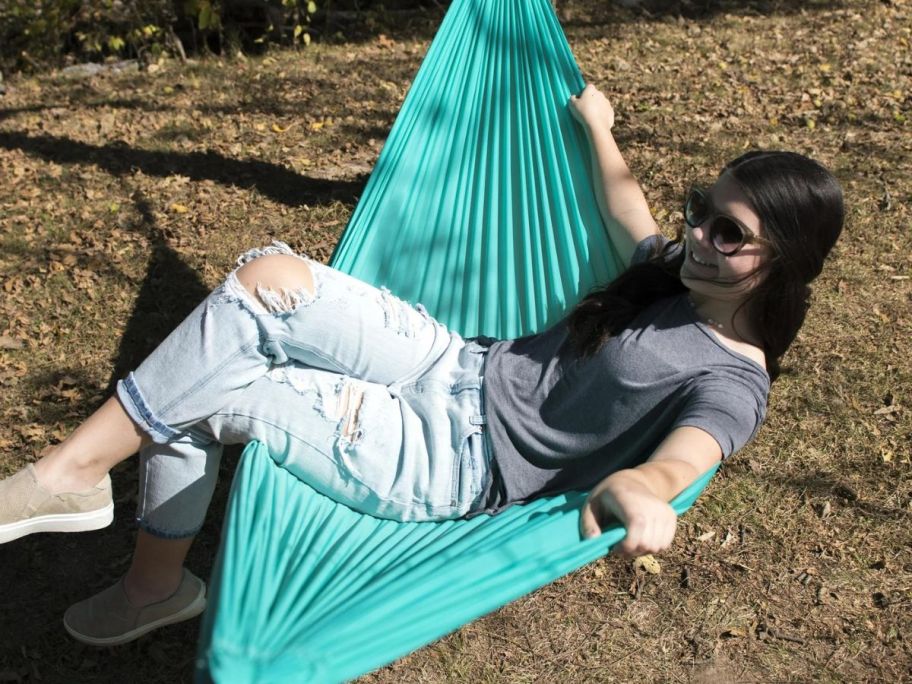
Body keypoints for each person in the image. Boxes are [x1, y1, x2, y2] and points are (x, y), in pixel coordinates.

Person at [0, 84, 844, 646]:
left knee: (213, 384)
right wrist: (600, 128)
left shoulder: (734, 383)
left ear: (785, 261)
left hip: (445, 458)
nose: (701, 235)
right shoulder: (674, 271)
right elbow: (627, 201)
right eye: (704, 211)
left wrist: (641, 495)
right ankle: (80, 480)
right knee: (269, 278)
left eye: (729, 233)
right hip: (455, 365)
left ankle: (141, 569)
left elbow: (680, 462)